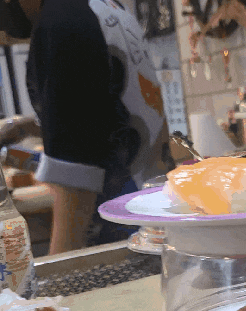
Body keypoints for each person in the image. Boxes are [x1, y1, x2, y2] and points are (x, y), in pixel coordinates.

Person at [0, 0, 175, 254]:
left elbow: (76, 184)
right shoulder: (104, 6)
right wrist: (30, 126)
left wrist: (60, 270)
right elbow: (101, 119)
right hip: (158, 221)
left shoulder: (60, 23)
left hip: (121, 237)